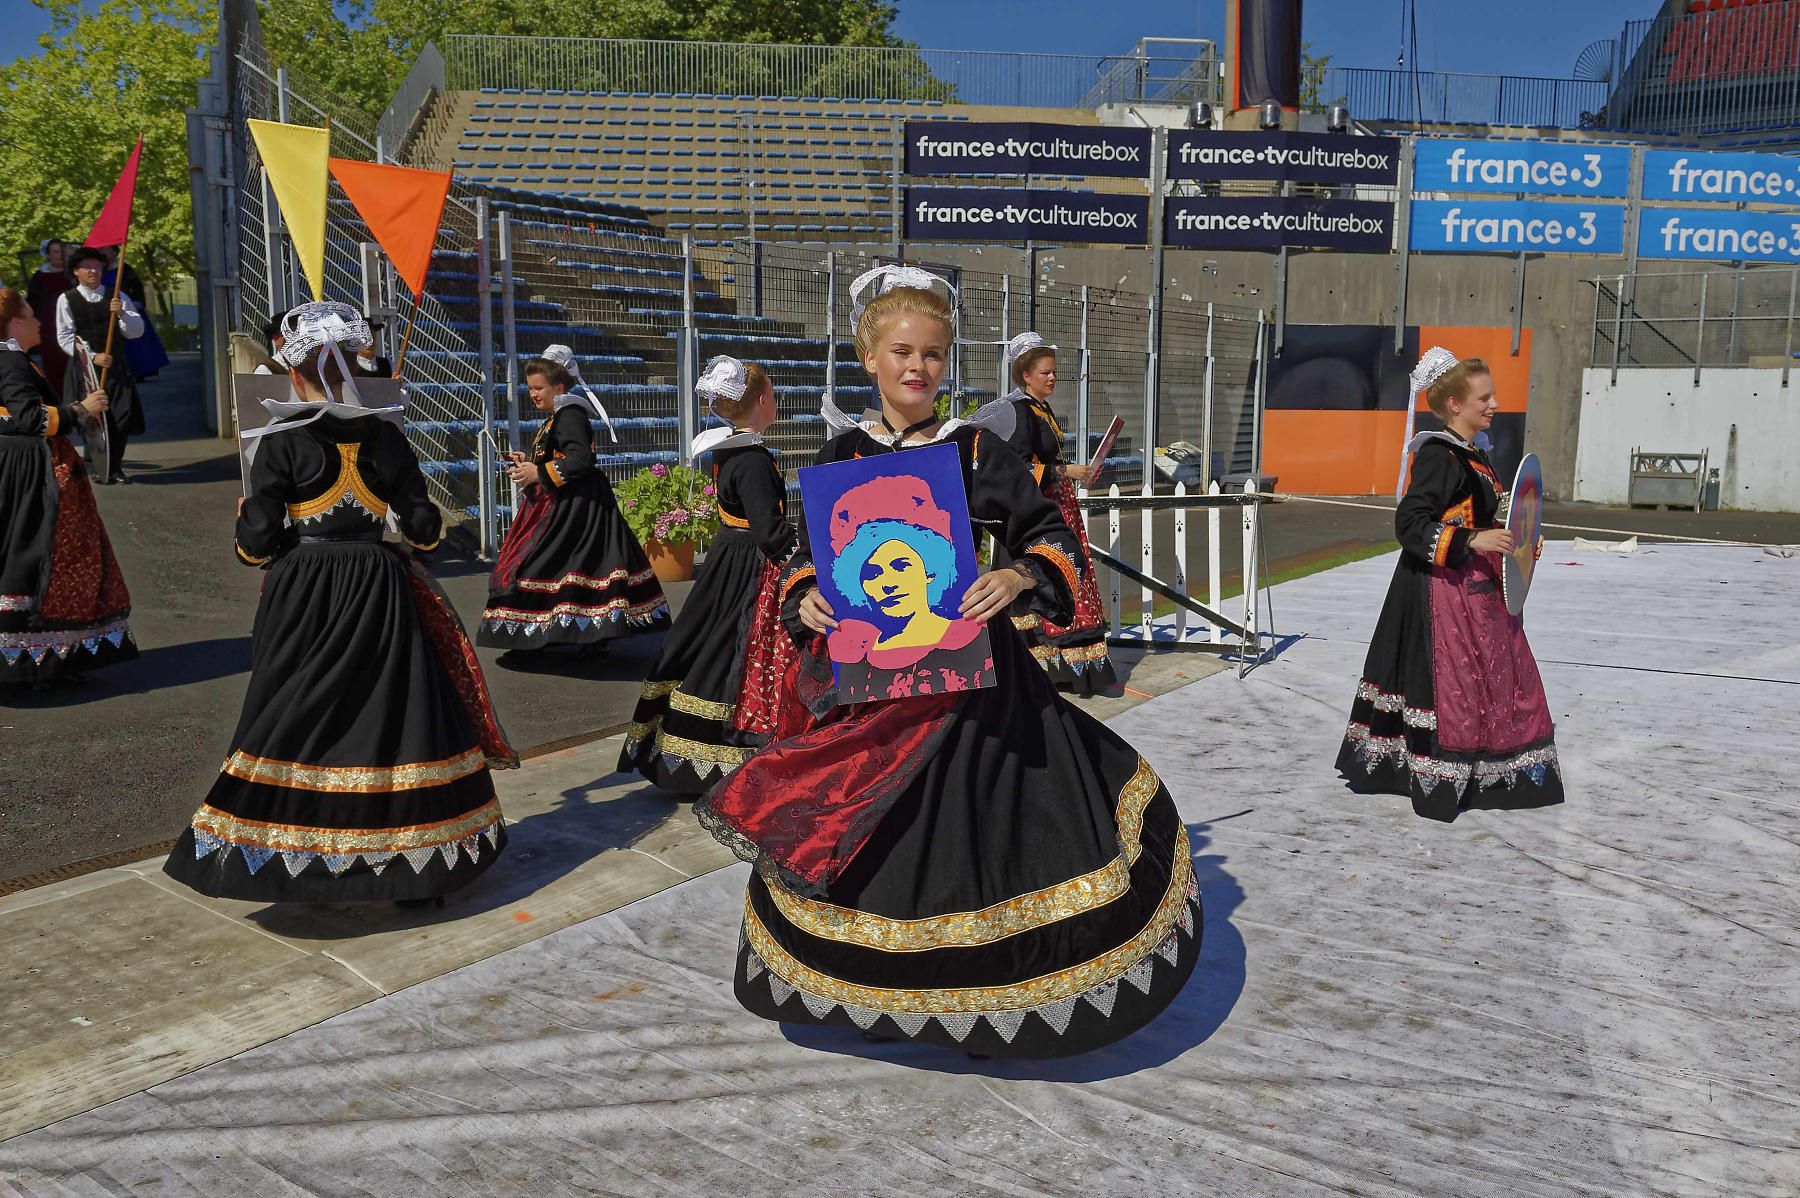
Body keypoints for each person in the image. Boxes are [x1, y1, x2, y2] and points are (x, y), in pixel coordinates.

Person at [694, 267, 1199, 1061]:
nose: (917, 368)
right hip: (875, 690)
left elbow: (1050, 535)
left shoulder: (974, 448)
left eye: (932, 354)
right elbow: (803, 558)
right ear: (868, 357)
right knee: (886, 840)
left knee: (985, 842)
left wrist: (1015, 574)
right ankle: (892, 996)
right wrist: (809, 602)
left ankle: (992, 1000)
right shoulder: (840, 452)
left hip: (976, 687)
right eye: (901, 352)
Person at [163, 302, 515, 904]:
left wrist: (246, 524)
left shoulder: (282, 443)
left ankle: (300, 855)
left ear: (297, 372)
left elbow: (258, 545)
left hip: (307, 591)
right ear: (352, 362)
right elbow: (426, 532)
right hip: (380, 586)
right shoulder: (385, 437)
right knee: (394, 710)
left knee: (299, 708)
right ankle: (413, 863)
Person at [1335, 347, 1560, 822]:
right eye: (1484, 397)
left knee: (1491, 676)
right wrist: (1474, 539)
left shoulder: (1473, 454)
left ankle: (1479, 768)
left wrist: (1518, 542)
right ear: (1454, 404)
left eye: (1493, 395)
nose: (1494, 404)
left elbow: (1484, 518)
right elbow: (1410, 523)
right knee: (1454, 684)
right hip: (1441, 593)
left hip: (1472, 589)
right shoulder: (1440, 455)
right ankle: (1443, 772)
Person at [620, 356, 795, 792]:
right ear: (760, 400)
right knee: (735, 650)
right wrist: (800, 552)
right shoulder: (752, 457)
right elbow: (767, 530)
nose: (775, 402)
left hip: (729, 557)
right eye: (772, 395)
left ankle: (683, 749)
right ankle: (713, 753)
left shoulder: (727, 448)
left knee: (713, 643)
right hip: (750, 566)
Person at [477, 348, 668, 655]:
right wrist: (529, 463)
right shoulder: (559, 415)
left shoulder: (570, 414)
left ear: (559, 387)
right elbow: (561, 456)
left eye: (539, 388)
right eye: (530, 388)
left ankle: (556, 632)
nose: (533, 394)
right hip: (566, 502)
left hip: (578, 506)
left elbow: (581, 460)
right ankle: (557, 631)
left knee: (552, 564)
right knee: (564, 566)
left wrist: (538, 472)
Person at [0, 287, 135, 685]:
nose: (39, 322)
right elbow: (30, 418)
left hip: (19, 467)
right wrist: (82, 410)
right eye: (31, 314)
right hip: (32, 472)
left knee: (27, 552)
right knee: (41, 555)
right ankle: (32, 662)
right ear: (14, 321)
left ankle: (41, 656)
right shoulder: (10, 360)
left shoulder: (10, 358)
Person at [978, 332, 1117, 693]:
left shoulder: (1042, 410)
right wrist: (1063, 471)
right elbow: (1017, 467)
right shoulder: (1018, 412)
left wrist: (1070, 470)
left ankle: (1070, 668)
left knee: (1071, 572)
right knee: (1041, 578)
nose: (1052, 378)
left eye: (1054, 372)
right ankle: (1047, 666)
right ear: (1026, 375)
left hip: (1059, 502)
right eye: (1045, 373)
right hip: (1037, 510)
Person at [55, 246, 145, 483]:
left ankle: (115, 467)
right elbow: (65, 337)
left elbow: (137, 332)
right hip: (86, 370)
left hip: (117, 368)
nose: (93, 271)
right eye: (87, 266)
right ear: (76, 271)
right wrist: (92, 356)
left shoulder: (117, 296)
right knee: (91, 418)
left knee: (121, 416)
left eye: (97, 266)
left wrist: (123, 313)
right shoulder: (67, 299)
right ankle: (100, 465)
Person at [101, 246, 169, 381]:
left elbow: (137, 287)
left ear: (115, 252)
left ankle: (140, 371)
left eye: (108, 250)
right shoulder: (99, 270)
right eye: (103, 251)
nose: (105, 253)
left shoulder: (125, 269)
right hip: (107, 310)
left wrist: (137, 303)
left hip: (127, 308)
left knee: (136, 341)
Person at [24, 239, 71, 388]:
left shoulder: (74, 274)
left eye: (62, 251)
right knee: (54, 363)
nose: (60, 255)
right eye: (56, 252)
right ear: (48, 255)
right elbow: (33, 304)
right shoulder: (39, 277)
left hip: (73, 323)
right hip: (50, 327)